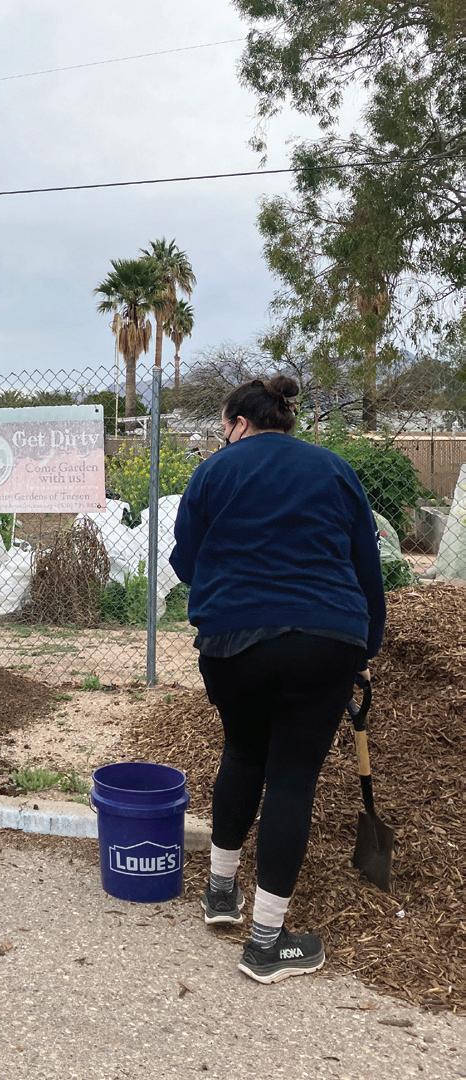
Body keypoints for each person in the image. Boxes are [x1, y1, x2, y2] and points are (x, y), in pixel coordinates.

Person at [169, 375, 384, 985]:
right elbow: (367, 568)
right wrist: (365, 647)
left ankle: (220, 893)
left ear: (239, 422)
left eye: (223, 426)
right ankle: (267, 942)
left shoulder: (214, 471)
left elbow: (185, 562)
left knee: (243, 751)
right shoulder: (334, 469)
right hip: (325, 637)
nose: (224, 436)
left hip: (231, 641)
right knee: (291, 775)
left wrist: (236, 574)